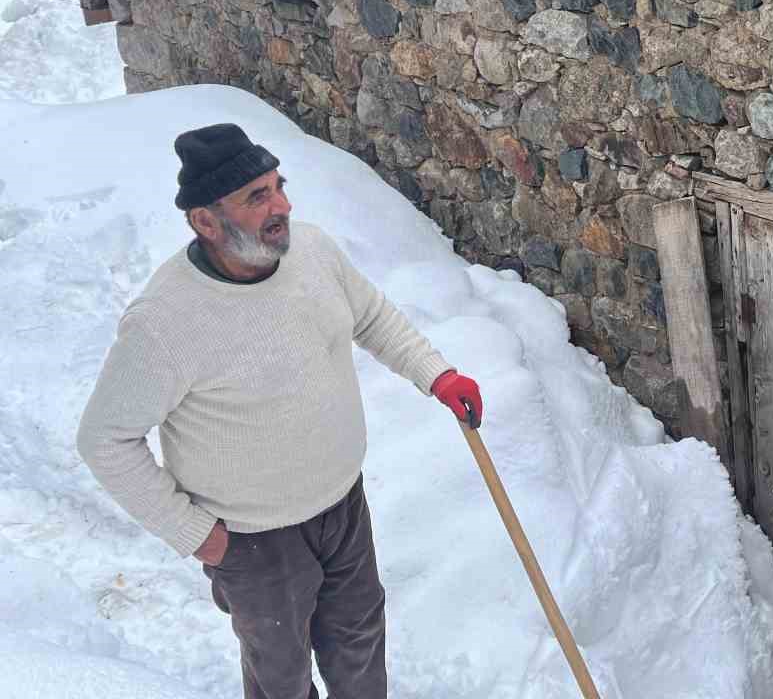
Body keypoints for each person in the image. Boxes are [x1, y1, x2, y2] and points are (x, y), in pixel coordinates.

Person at [77, 123, 483, 699]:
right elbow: (104, 441)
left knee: (361, 649)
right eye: (257, 197)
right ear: (205, 221)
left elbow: (370, 316)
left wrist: (437, 374)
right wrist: (202, 538)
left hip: (343, 508)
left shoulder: (312, 252)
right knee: (282, 680)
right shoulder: (164, 322)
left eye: (278, 186)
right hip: (253, 541)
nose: (282, 206)